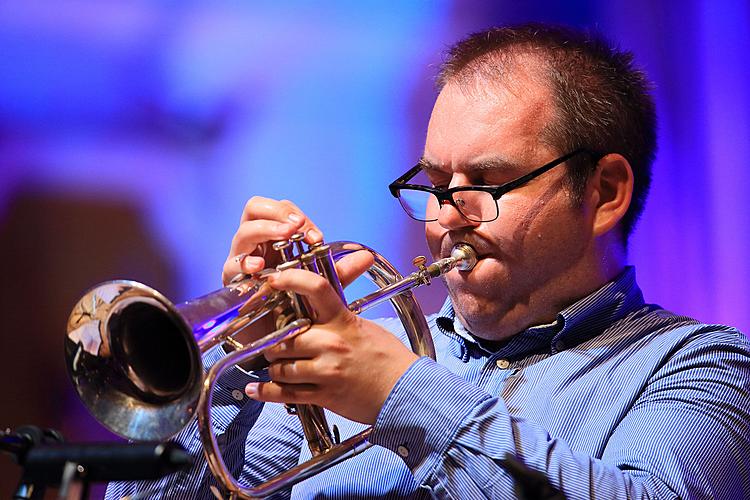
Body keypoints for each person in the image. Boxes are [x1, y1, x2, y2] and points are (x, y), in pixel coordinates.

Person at [107, 23, 750, 499]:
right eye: (436, 182)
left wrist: (404, 394)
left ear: (604, 192)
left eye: (487, 182)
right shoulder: (340, 360)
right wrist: (220, 372)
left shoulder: (698, 366)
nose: (445, 214)